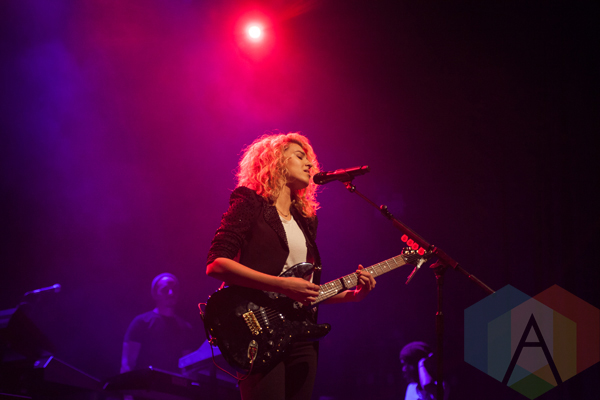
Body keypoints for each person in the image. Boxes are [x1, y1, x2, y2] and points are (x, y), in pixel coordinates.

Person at [206, 132, 377, 400]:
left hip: (299, 332)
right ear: (276, 162)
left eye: (310, 159)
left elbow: (303, 292)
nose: (310, 164)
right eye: (300, 157)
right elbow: (217, 264)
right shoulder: (249, 202)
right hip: (258, 332)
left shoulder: (306, 220)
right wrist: (282, 285)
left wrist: (352, 296)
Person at [120, 273, 196, 374]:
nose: (171, 293)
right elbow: (127, 365)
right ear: (155, 294)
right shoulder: (141, 323)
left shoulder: (185, 328)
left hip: (172, 384)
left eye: (174, 289)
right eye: (165, 290)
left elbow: (187, 368)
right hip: (145, 383)